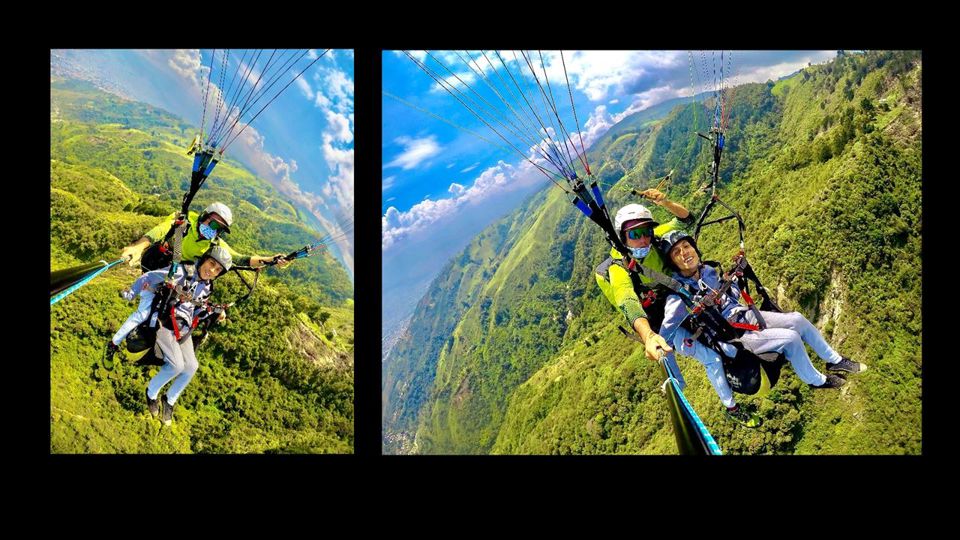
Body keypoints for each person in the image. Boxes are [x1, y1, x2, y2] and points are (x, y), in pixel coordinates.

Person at [657, 230, 867, 425]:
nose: (684, 253)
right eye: (676, 252)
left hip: (743, 316)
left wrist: (735, 279)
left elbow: (732, 298)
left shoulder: (708, 271)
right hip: (732, 337)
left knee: (797, 319)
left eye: (686, 247)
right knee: (790, 338)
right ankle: (816, 380)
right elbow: (666, 331)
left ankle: (835, 360)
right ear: (673, 263)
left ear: (694, 248)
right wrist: (663, 353)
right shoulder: (678, 295)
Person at [596, 188, 723, 391]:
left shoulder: (654, 238)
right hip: (652, 313)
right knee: (664, 347)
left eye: (646, 232)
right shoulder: (618, 267)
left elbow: (686, 219)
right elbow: (627, 299)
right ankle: (674, 385)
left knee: (713, 338)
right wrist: (648, 336)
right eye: (635, 234)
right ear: (623, 238)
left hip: (675, 297)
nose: (643, 239)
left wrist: (665, 202)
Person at [112, 245, 232, 425]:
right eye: (211, 263)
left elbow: (197, 311)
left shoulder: (206, 287)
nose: (212, 270)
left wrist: (215, 313)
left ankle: (169, 400)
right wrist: (131, 293)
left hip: (183, 328)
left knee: (191, 367)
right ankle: (151, 393)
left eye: (217, 269)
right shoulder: (182, 272)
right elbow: (148, 276)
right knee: (176, 365)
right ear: (204, 259)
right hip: (165, 322)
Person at [119, 201, 291, 272]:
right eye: (214, 224)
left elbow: (240, 259)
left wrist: (272, 259)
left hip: (174, 275)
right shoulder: (184, 221)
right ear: (204, 216)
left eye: (220, 229)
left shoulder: (213, 244)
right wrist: (138, 247)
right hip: (155, 261)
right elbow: (160, 230)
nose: (215, 231)